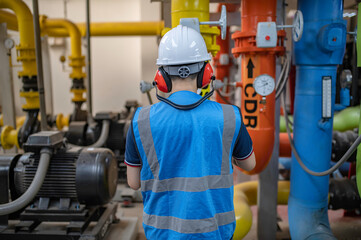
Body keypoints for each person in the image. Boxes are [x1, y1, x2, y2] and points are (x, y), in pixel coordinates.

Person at [125, 24, 255, 240]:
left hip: (162, 234)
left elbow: (133, 182)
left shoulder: (141, 120)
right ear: (206, 74)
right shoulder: (229, 116)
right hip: (215, 232)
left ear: (160, 77)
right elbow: (250, 165)